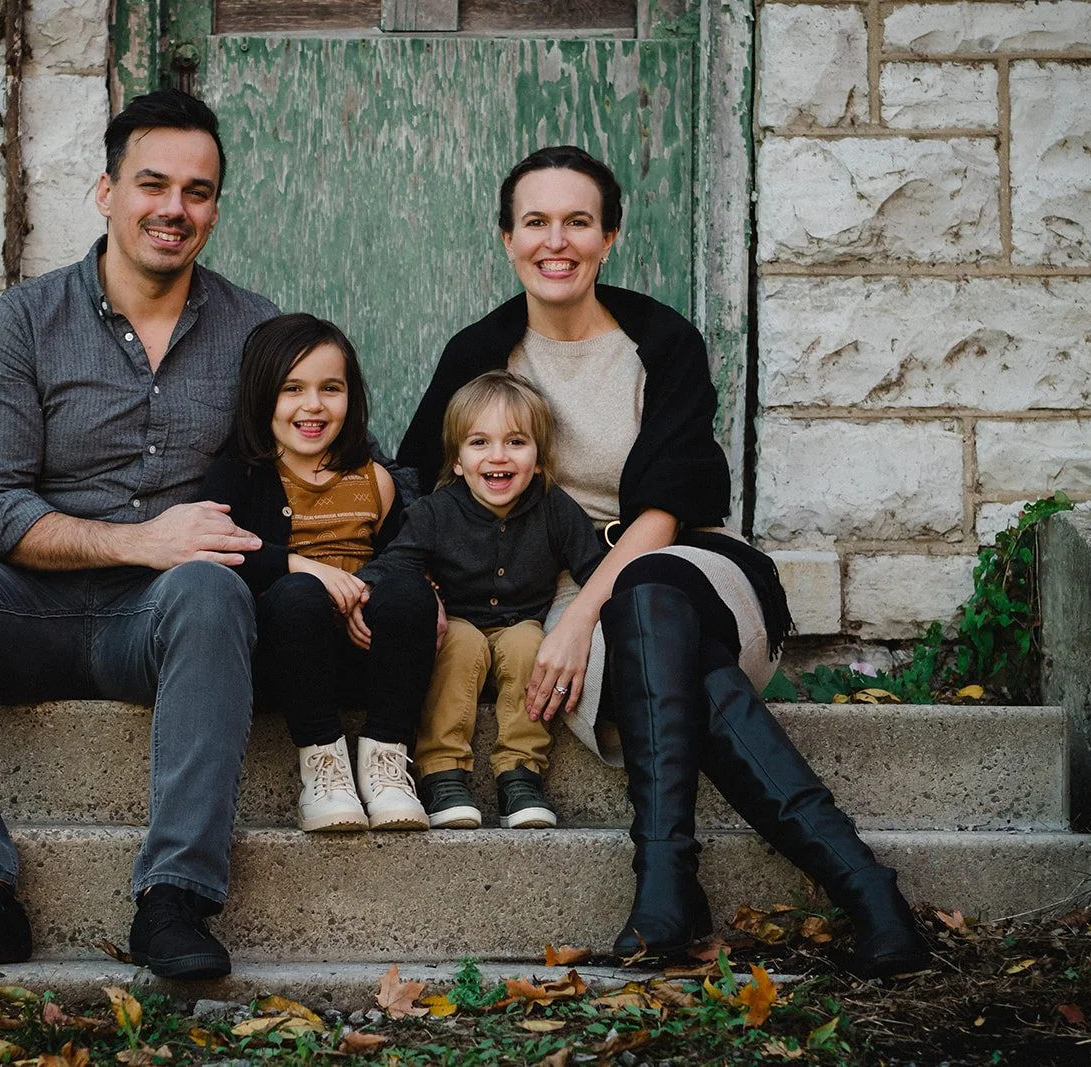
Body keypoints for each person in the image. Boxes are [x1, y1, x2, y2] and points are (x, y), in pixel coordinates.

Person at [396, 146, 930, 977]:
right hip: (570, 589)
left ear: (609, 236)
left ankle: (666, 882)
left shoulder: (663, 340)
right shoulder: (480, 353)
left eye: (578, 221)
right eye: (535, 222)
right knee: (691, 674)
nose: (556, 241)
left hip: (688, 566)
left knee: (646, 591)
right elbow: (418, 481)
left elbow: (668, 507)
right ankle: (864, 888)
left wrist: (579, 618)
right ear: (507, 239)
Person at [0, 89, 277, 981]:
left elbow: (330, 461)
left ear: (215, 208)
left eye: (198, 191)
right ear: (106, 191)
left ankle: (174, 897)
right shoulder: (26, 321)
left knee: (211, 585)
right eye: (153, 183)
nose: (174, 208)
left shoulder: (257, 330)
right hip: (29, 610)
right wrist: (138, 540)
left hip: (163, 620)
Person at [202, 313, 437, 832]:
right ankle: (323, 768)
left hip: (363, 653)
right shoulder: (240, 474)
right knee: (298, 594)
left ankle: (387, 761)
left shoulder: (375, 480)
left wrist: (368, 588)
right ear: (262, 395)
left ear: (351, 396)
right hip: (288, 656)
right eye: (292, 389)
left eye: (331, 388)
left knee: (409, 593)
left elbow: (406, 554)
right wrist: (301, 564)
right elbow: (215, 547)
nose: (313, 405)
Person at [358, 371, 603, 830]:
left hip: (520, 626)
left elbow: (596, 571)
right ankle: (442, 772)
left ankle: (520, 773)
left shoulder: (555, 508)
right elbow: (395, 564)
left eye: (516, 442)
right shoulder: (433, 512)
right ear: (457, 460)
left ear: (538, 458)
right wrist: (356, 591)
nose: (498, 456)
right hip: (457, 623)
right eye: (479, 443)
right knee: (460, 643)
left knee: (532, 644)